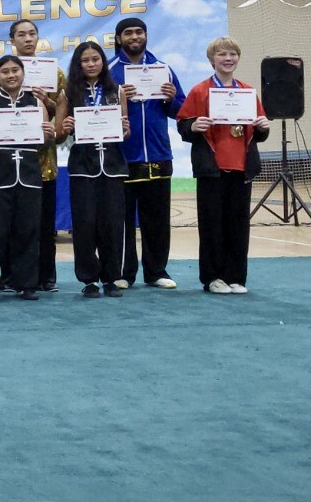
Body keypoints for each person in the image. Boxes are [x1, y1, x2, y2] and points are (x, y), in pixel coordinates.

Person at [0, 20, 66, 292]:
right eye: (21, 34)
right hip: (2, 167)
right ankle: (2, 279)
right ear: (12, 39)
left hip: (39, 163)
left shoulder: (54, 74)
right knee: (0, 226)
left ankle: (41, 278)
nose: (27, 38)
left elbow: (60, 121)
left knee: (37, 225)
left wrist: (49, 105)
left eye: (32, 34)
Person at [177, 37, 270, 295]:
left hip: (241, 168)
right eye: (222, 54)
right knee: (211, 225)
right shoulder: (200, 91)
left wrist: (264, 128)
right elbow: (183, 126)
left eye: (232, 54)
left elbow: (258, 131)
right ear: (212, 60)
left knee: (238, 225)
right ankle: (213, 277)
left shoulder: (247, 91)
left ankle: (236, 277)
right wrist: (193, 126)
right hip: (212, 169)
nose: (228, 59)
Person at [0, 55, 54, 302]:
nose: (11, 75)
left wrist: (49, 133)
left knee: (28, 229)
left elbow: (45, 139)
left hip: (28, 174)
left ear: (23, 73)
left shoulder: (36, 102)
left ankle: (26, 283)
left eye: (15, 70)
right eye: (5, 71)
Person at [108, 17, 186, 290]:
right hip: (123, 156)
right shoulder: (109, 71)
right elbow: (96, 110)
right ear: (119, 39)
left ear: (146, 35)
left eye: (139, 32)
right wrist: (119, 98)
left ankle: (156, 271)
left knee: (158, 219)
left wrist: (171, 98)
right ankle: (124, 273)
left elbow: (181, 111)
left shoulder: (162, 69)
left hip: (158, 153)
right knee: (123, 220)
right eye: (128, 33)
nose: (134, 37)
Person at [58, 42, 132, 298]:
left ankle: (111, 278)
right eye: (85, 60)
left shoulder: (116, 90)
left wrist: (125, 129)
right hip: (83, 165)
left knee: (113, 224)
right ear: (78, 64)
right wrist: (65, 127)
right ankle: (89, 279)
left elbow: (124, 131)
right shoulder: (68, 93)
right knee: (85, 223)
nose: (91, 64)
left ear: (103, 61)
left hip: (112, 164)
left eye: (95, 59)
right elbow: (58, 135)